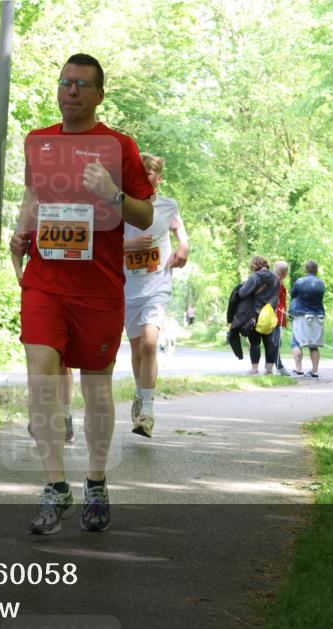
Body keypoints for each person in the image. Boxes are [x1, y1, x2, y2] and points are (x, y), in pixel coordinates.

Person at [10, 53, 154, 535]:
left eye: (81, 84)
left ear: (98, 95)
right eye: (65, 82)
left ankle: (95, 482)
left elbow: (145, 217)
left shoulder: (120, 146)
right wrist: (21, 234)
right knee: (41, 373)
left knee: (95, 391)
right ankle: (55, 485)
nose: (70, 90)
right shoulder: (39, 141)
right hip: (45, 281)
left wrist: (113, 192)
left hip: (99, 288)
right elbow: (33, 197)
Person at [123, 153, 189, 437]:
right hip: (127, 288)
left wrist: (183, 246)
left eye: (148, 173)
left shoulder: (167, 205)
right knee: (137, 349)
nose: (143, 177)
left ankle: (147, 412)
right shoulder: (121, 205)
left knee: (150, 344)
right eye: (138, 172)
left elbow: (178, 227)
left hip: (157, 286)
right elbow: (104, 243)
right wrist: (131, 245)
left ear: (158, 178)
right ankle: (140, 393)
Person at [237, 256, 281, 375]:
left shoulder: (255, 277)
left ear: (255, 265)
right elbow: (277, 296)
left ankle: (255, 369)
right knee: (269, 342)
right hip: (270, 314)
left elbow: (242, 293)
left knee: (255, 342)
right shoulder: (276, 278)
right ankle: (269, 370)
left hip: (255, 313)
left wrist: (244, 285)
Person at [289, 260, 326, 378]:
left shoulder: (300, 282)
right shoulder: (321, 283)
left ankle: (298, 370)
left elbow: (293, 294)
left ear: (305, 269)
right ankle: (314, 372)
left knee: (296, 342)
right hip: (317, 315)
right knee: (313, 345)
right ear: (316, 270)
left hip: (301, 315)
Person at [272, 261, 290, 376]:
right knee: (276, 341)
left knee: (275, 341)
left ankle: (274, 365)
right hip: (275, 316)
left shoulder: (276, 281)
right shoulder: (276, 282)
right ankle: (278, 366)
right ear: (285, 273)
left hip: (277, 315)